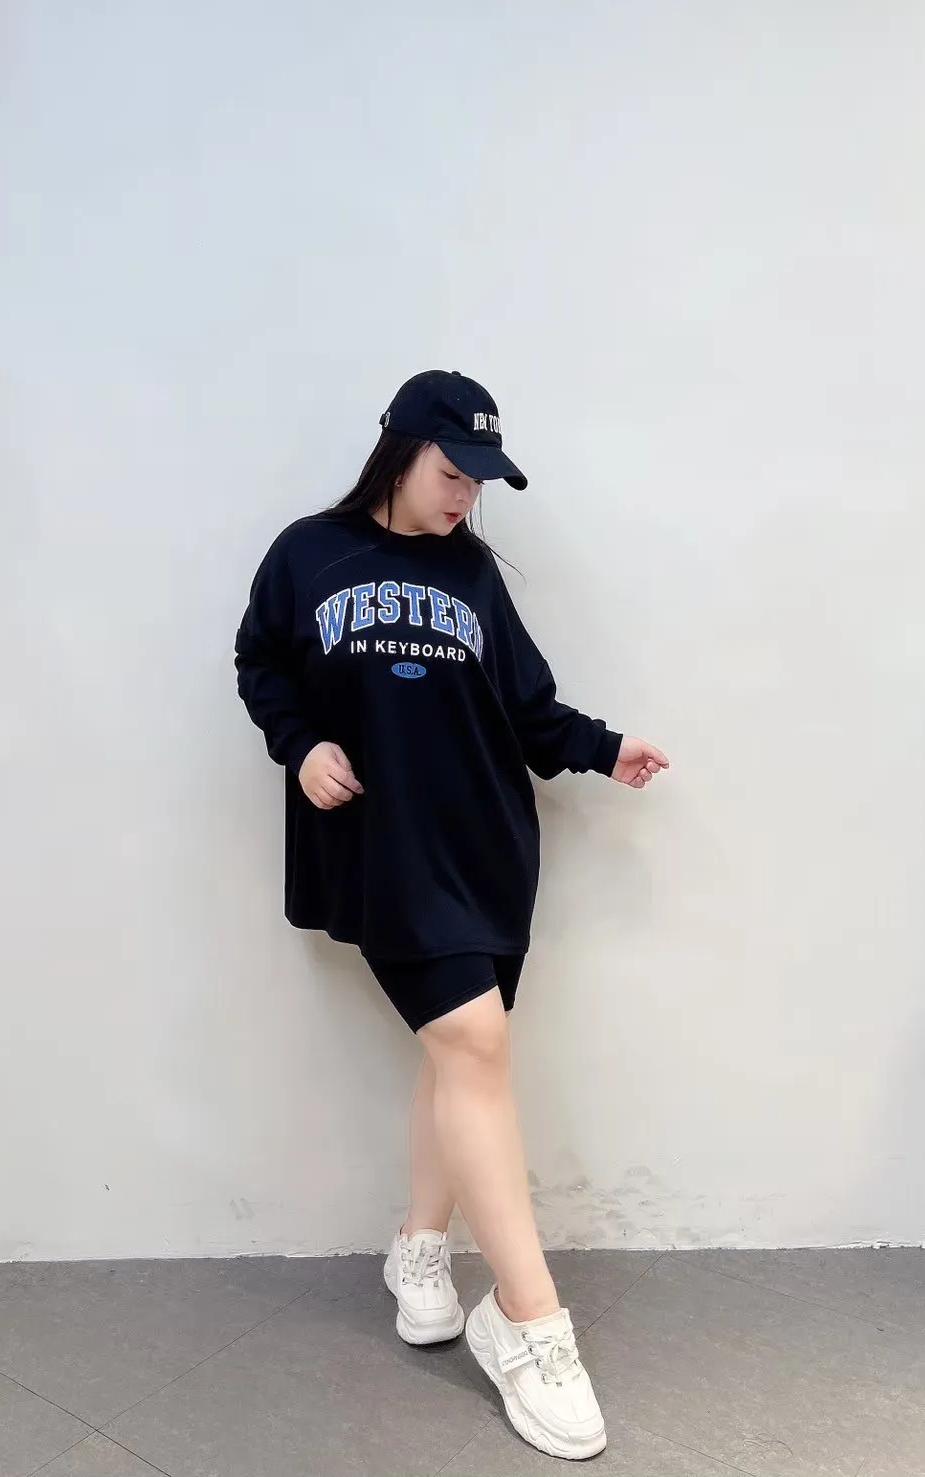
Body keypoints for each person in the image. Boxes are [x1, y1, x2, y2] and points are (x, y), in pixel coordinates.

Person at [234, 369, 668, 1462]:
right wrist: (300, 744)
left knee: (459, 1055)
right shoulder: (307, 554)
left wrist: (603, 748)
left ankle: (418, 1248)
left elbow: (527, 708)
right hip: (382, 851)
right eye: (452, 471)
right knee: (473, 1041)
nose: (466, 494)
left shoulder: (472, 572)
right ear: (399, 450)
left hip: (484, 848)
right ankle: (528, 1321)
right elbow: (259, 661)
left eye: (481, 480)